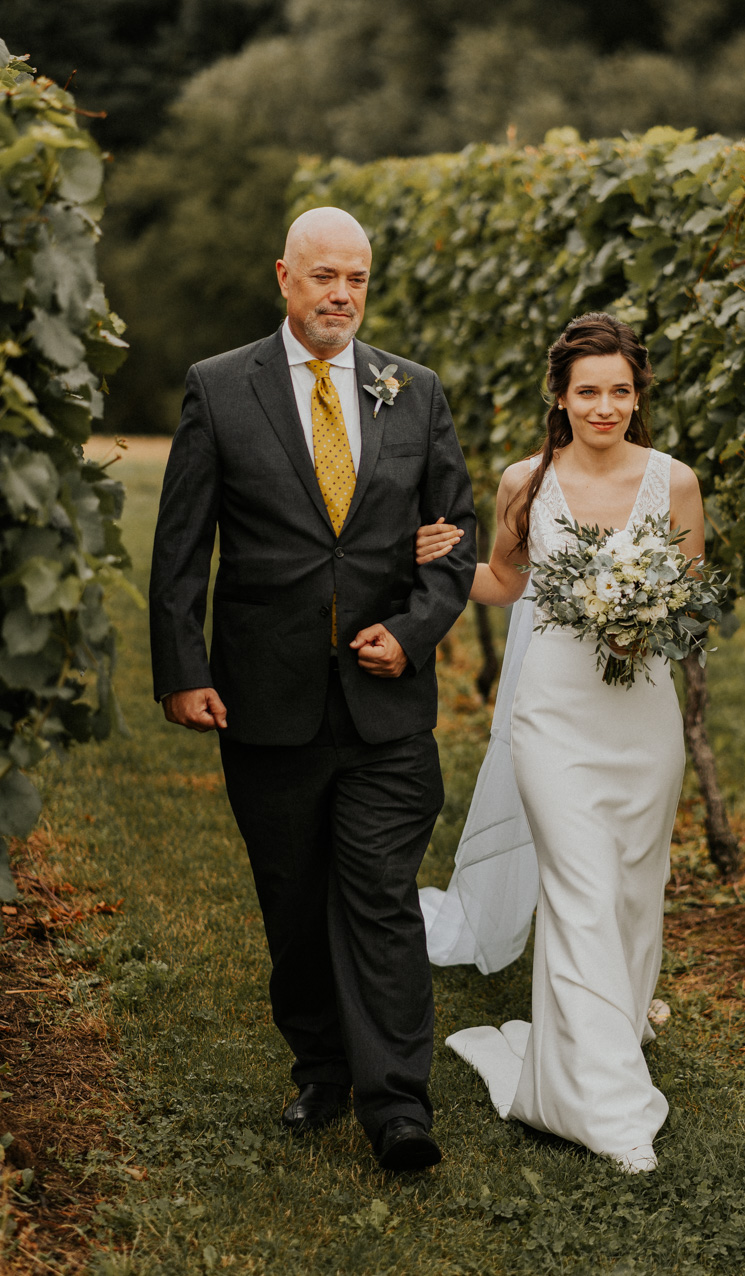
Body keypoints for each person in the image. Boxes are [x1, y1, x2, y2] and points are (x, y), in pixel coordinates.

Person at [148, 207, 477, 1173]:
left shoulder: (412, 392)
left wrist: (412, 634)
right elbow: (181, 547)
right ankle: (321, 1069)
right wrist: (182, 669)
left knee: (378, 894)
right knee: (293, 901)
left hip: (384, 709)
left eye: (358, 279)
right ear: (284, 277)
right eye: (324, 276)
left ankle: (398, 1106)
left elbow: (451, 539)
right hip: (265, 695)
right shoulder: (220, 387)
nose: (342, 294)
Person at [414, 312, 703, 1173]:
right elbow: (505, 580)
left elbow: (690, 604)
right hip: (551, 720)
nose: (604, 406)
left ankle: (601, 1043)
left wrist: (644, 620)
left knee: (628, 897)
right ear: (561, 396)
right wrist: (428, 562)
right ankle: (604, 1108)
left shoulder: (675, 483)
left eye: (619, 391)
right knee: (576, 888)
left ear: (636, 395)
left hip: (642, 723)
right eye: (588, 391)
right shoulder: (523, 482)